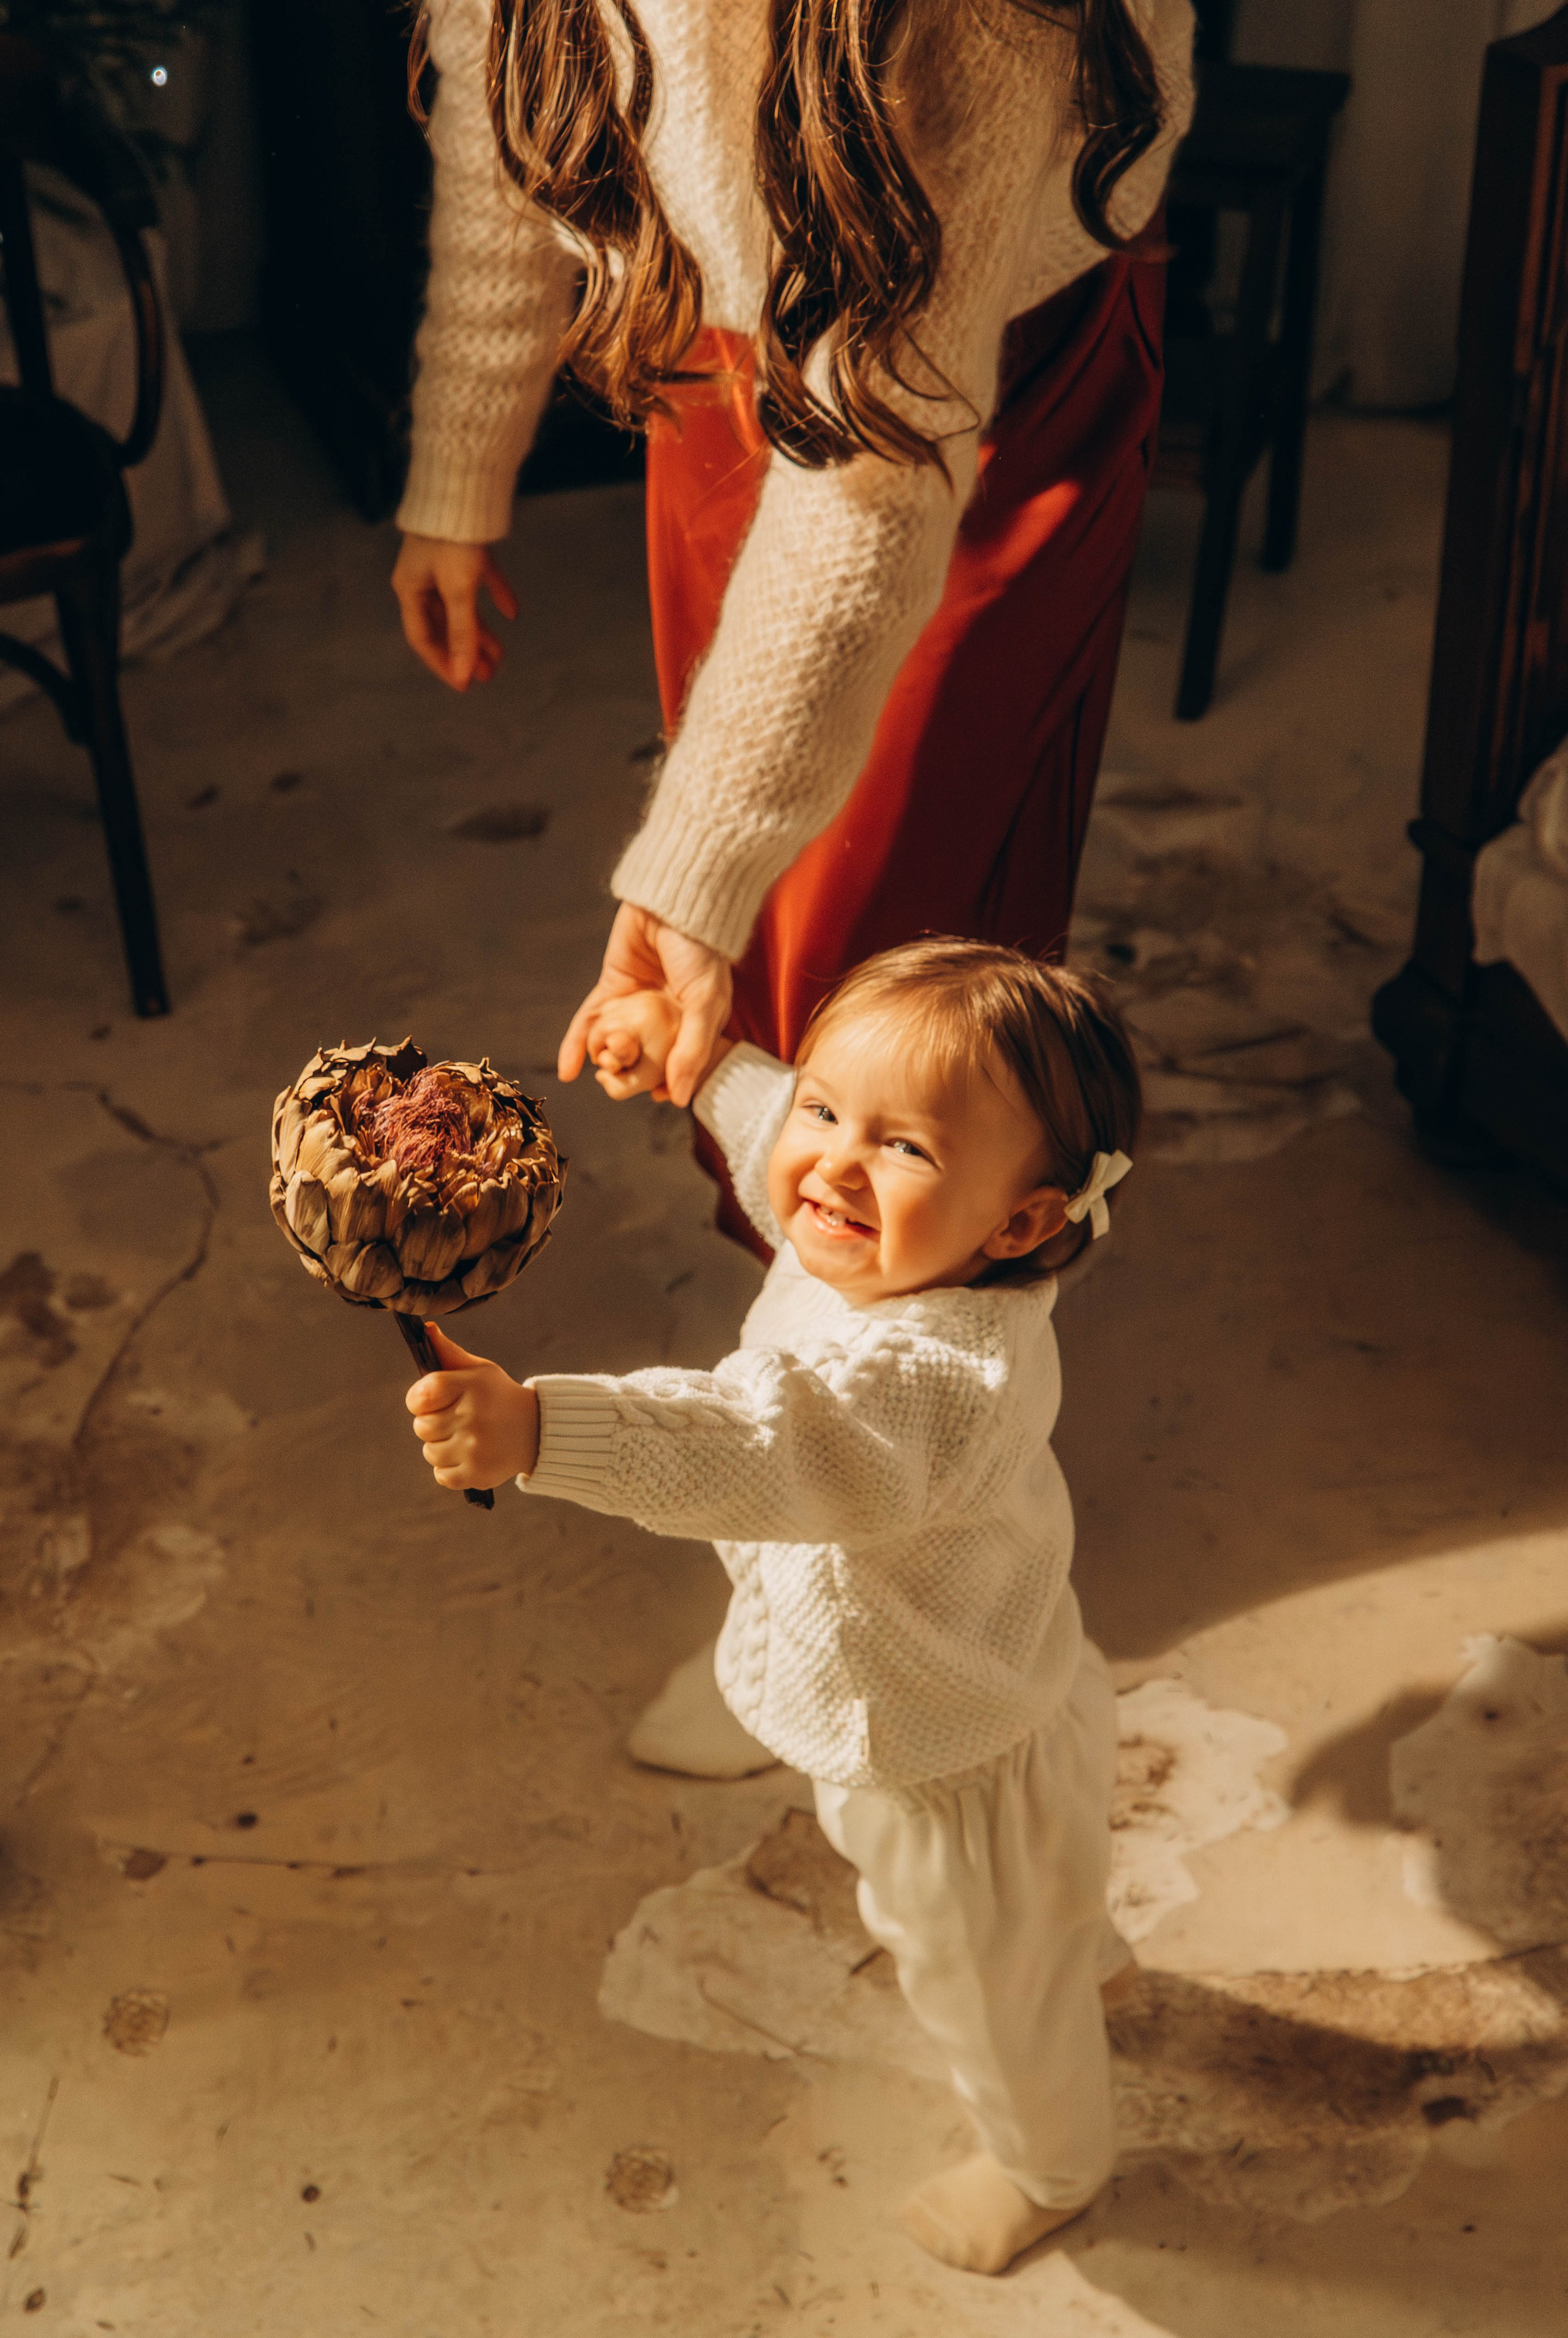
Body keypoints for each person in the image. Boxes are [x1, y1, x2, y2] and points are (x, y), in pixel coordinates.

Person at [390, 0, 1194, 1246]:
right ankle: (791, 1263)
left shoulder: (983, 24)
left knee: (904, 932)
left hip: (988, 355)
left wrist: (689, 880)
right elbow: (505, 101)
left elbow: (873, 474)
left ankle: (936, 1311)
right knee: (740, 910)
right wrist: (461, 452)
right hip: (721, 323)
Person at [404, 939, 1142, 2275]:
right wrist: (693, 1066)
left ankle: (1049, 2165)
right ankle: (1074, 1938)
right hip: (1005, 1656)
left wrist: (537, 1431)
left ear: (1021, 1221)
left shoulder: (925, 1383)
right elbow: (775, 1132)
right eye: (825, 1111)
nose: (832, 1167)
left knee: (978, 1973)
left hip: (934, 1753)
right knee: (1050, 1870)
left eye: (903, 1148)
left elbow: (749, 1442)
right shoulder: (890, 1240)